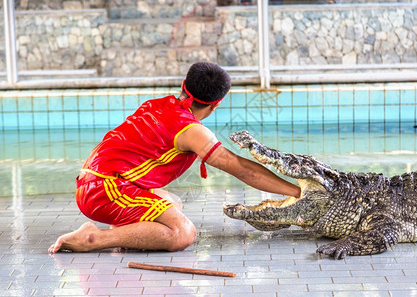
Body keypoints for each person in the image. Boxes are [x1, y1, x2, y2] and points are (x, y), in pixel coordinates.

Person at [48, 62, 302, 253]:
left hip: (92, 182)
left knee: (172, 202)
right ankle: (93, 239)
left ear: (183, 84)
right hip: (104, 191)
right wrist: (297, 191)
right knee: (182, 233)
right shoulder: (192, 132)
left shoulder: (156, 104)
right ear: (216, 104)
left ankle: (125, 232)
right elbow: (243, 170)